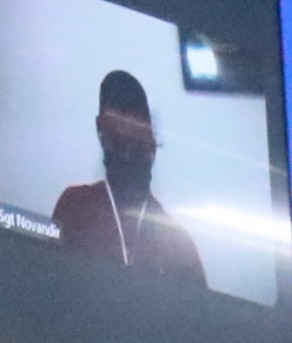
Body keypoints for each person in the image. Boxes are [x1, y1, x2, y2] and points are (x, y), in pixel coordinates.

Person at [53, 72, 206, 284]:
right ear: (101, 133)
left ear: (152, 143)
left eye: (139, 142)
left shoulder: (179, 244)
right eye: (121, 142)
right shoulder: (73, 207)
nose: (129, 153)